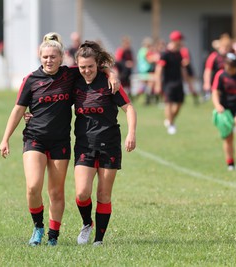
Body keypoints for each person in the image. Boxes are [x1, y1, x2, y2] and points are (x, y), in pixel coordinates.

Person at [0, 32, 119, 247]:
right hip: (34, 138)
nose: (49, 60)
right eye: (45, 57)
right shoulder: (31, 80)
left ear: (61, 57)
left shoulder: (69, 75)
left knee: (56, 191)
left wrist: (112, 75)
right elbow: (18, 110)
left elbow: (93, 67)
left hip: (61, 142)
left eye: (53, 57)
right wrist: (5, 138)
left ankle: (53, 236)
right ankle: (38, 227)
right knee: (33, 187)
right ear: (39, 57)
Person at [72, 40, 137, 245]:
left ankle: (99, 240)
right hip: (84, 144)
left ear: (97, 64)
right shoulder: (74, 79)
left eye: (90, 66)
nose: (86, 71)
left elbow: (129, 109)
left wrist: (131, 134)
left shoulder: (109, 82)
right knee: (82, 193)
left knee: (103, 193)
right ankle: (86, 224)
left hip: (109, 144)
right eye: (82, 67)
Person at [154, 30, 188, 135]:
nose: (182, 42)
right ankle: (171, 125)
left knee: (179, 104)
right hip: (167, 83)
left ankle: (169, 120)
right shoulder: (165, 54)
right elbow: (159, 69)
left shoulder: (178, 53)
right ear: (175, 40)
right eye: (180, 40)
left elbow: (182, 68)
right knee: (168, 104)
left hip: (178, 82)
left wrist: (187, 80)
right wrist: (158, 84)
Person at [203, 34, 233, 100]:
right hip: (217, 83)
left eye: (227, 47)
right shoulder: (214, 56)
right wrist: (207, 83)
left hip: (229, 82)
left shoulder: (231, 57)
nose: (225, 49)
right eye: (224, 47)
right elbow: (208, 71)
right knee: (220, 101)